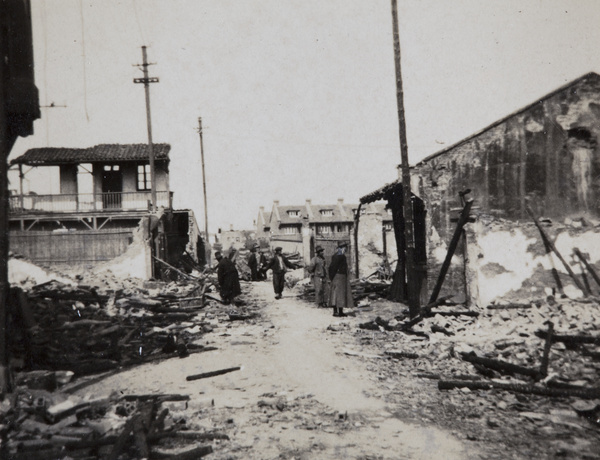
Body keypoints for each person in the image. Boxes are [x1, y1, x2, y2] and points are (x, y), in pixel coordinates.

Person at [328, 241, 354, 317]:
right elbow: (332, 268)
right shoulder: (338, 256)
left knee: (340, 295)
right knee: (337, 294)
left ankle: (340, 311)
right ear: (340, 248)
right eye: (344, 247)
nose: (345, 249)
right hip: (338, 277)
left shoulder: (340, 256)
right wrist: (332, 277)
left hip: (341, 277)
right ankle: (336, 312)